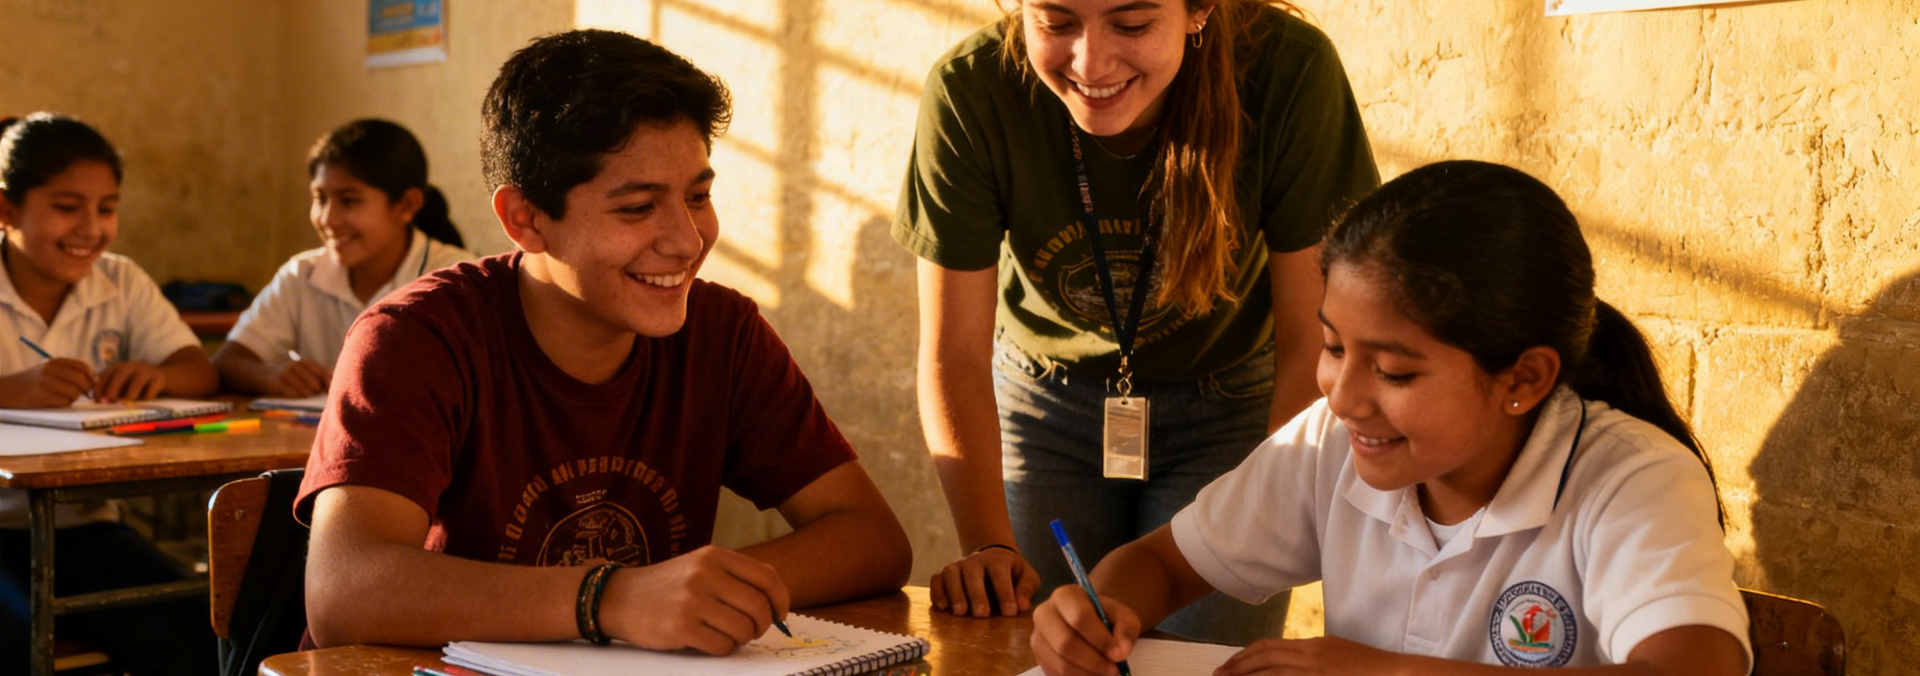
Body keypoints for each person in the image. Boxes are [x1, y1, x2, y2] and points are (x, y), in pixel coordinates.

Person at [296, 29, 913, 653]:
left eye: (698, 196)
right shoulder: (416, 340)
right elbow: (345, 594)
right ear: (525, 219)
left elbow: (872, 540)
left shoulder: (722, 333)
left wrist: (701, 593)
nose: (687, 240)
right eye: (638, 208)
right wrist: (613, 598)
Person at [1030, 160, 1751, 675]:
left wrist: (1389, 673)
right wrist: (1097, 612)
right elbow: (1159, 562)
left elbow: (1695, 667)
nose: (1343, 396)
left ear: (1524, 378)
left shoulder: (1632, 479)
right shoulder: (1331, 444)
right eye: (1333, 346)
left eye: (1396, 372)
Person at [892, 0, 1377, 642]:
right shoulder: (971, 88)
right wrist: (989, 547)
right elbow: (952, 353)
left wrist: (1269, 496)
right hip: (1047, 403)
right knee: (1046, 646)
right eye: (1055, 22)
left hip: (1234, 409)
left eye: (1132, 24)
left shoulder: (1291, 72)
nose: (1091, 62)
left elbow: (1311, 340)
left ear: (1197, 11)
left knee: (1208, 655)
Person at [0, 113, 218, 675]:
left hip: (82, 524)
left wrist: (156, 376)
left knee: (195, 629)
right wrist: (11, 390)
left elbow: (200, 371)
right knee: (22, 643)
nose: (91, 229)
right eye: (67, 207)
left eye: (107, 208)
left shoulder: (119, 280)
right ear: (6, 209)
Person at [214, 118, 474, 397]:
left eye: (349, 201)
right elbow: (227, 362)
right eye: (320, 198)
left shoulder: (456, 282)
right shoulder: (303, 275)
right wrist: (272, 376)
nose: (328, 219)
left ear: (406, 205)